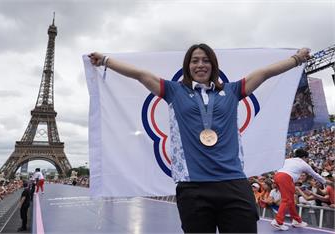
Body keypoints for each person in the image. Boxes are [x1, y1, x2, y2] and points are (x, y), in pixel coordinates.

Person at [88, 44, 310, 233]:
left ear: (213, 65)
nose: (200, 64)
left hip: (233, 183)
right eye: (195, 61)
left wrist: (296, 59)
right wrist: (106, 60)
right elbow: (141, 75)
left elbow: (263, 73)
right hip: (193, 187)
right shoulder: (174, 91)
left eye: (205, 60)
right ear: (188, 66)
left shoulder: (232, 91)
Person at [271, 148, 327, 231]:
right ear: (304, 157)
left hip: (278, 176)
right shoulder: (304, 163)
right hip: (286, 178)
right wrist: (325, 181)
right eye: (307, 158)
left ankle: (297, 221)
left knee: (290, 200)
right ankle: (278, 222)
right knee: (286, 200)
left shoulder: (288, 160)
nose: (307, 160)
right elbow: (315, 174)